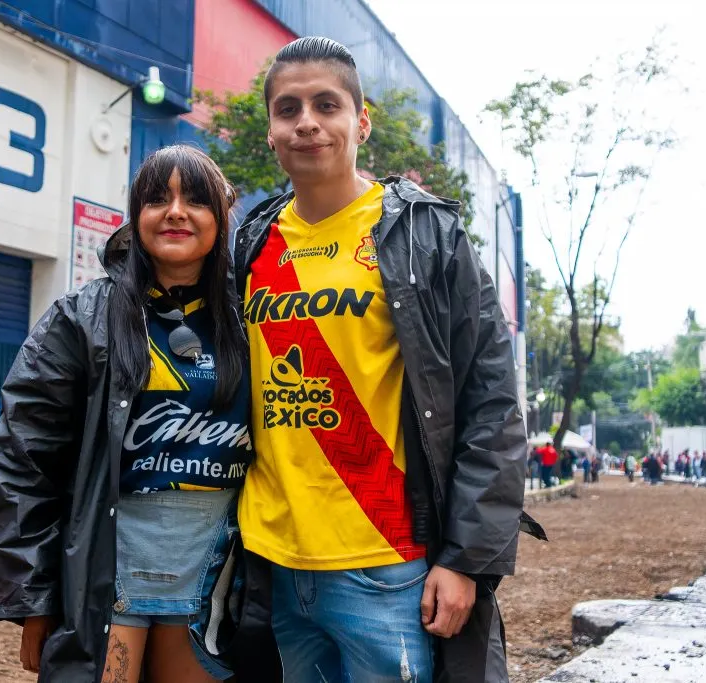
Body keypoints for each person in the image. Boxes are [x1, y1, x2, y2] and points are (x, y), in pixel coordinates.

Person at [230, 36, 543, 683]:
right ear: (270, 131)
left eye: (326, 104)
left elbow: (491, 403)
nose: (307, 122)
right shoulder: (252, 242)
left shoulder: (426, 235)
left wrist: (466, 560)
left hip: (389, 565)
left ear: (361, 121)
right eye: (288, 109)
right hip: (274, 562)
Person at [0, 146, 253, 683]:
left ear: (222, 219)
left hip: (215, 577)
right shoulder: (80, 317)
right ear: (136, 217)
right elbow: (22, 460)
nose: (175, 211)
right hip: (106, 573)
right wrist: (35, 599)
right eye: (157, 199)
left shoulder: (256, 317)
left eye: (195, 200)